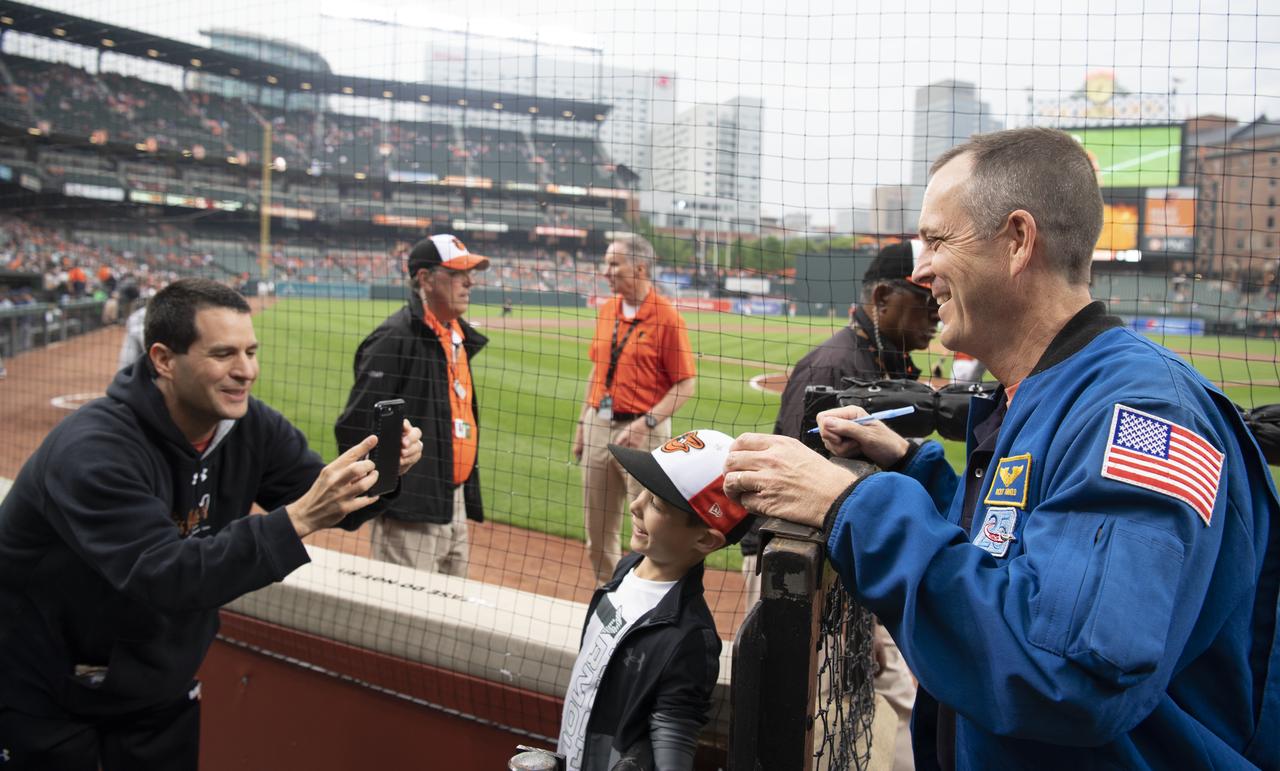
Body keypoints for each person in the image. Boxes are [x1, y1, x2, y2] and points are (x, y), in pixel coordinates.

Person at [722, 127, 1280, 769]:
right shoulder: (1045, 387)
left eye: (936, 239)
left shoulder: (1143, 415)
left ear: (1017, 241)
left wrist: (850, 505)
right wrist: (914, 468)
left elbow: (1066, 674)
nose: (919, 269)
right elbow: (1021, 547)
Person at [0, 278, 424, 770]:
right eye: (223, 354)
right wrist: (301, 516)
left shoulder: (251, 427)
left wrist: (384, 473)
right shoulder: (94, 450)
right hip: (42, 696)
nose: (246, 371)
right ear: (162, 359)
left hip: (156, 690)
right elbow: (165, 575)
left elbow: (330, 500)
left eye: (250, 351)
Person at [740, 240, 938, 771]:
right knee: (820, 708)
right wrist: (864, 619)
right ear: (881, 298)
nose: (937, 313)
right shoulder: (833, 365)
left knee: (875, 705)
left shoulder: (879, 359)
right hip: (810, 576)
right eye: (925, 302)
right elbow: (793, 503)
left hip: (855, 566)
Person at [557, 429, 753, 771]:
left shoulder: (691, 638)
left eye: (657, 504)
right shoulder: (627, 568)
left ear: (706, 540)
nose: (635, 506)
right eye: (643, 492)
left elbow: (673, 746)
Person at [336, 234, 488, 576]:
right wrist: (389, 495)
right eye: (457, 273)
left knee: (450, 613)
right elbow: (357, 425)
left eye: (471, 273)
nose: (470, 281)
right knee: (405, 619)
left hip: (453, 498)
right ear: (425, 278)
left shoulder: (456, 337)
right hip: (411, 505)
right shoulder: (395, 338)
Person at [573, 234, 697, 583]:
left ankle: (645, 598)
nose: (606, 271)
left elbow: (686, 383)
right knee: (596, 530)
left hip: (645, 433)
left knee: (649, 529)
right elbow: (599, 369)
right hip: (599, 423)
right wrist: (583, 423)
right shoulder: (607, 309)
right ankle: (609, 592)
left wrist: (648, 421)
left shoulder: (667, 318)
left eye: (614, 263)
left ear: (640, 267)